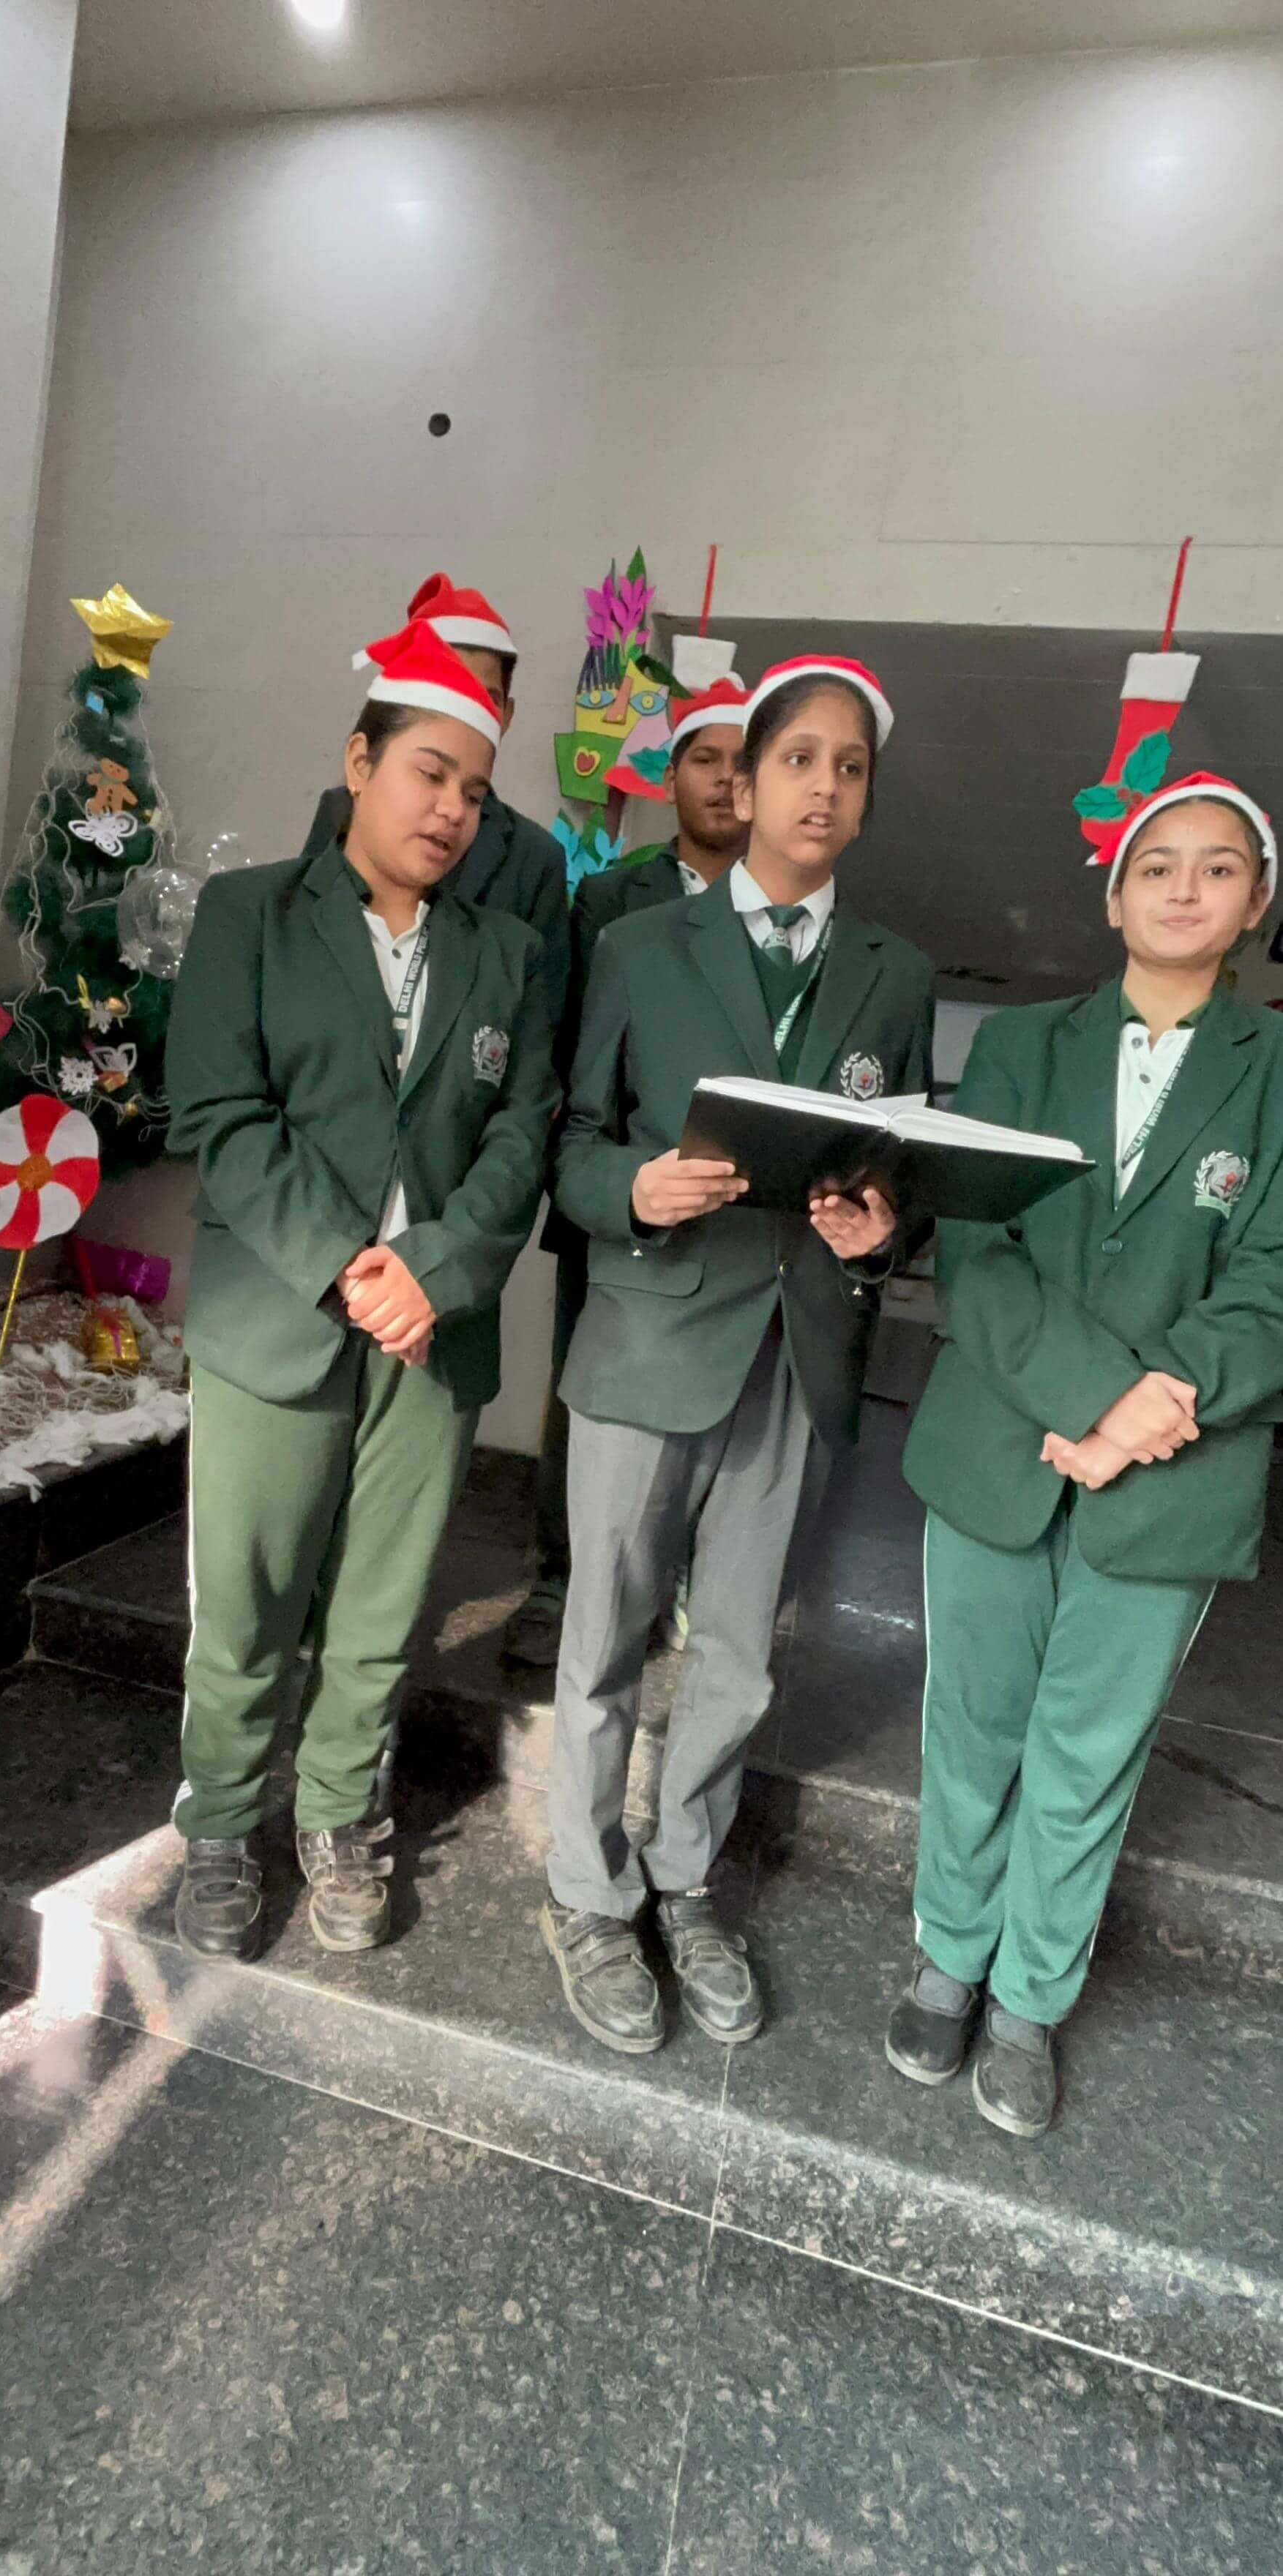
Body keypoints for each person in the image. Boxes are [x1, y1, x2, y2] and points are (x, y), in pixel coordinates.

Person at [543, 655, 935, 2053]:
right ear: (746, 780)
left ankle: (686, 1879)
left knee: (738, 1659)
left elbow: (901, 1171)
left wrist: (881, 1231)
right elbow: (573, 1144)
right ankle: (589, 1894)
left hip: (797, 1352)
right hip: (650, 1340)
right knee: (604, 1635)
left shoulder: (894, 974)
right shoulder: (644, 945)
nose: (824, 787)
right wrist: (635, 1189)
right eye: (799, 760)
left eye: (851, 768)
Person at [890, 771, 1283, 2138]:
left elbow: (1274, 1281)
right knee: (973, 1724)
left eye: (1218, 866)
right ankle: (948, 1958)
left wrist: (1150, 1409)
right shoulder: (1019, 1047)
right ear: (1113, 897)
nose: (1184, 887)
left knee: (1088, 1750)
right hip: (1003, 1440)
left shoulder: (1277, 1072)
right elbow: (977, 1245)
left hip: (1179, 1472)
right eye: (1156, 864)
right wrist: (1095, 1398)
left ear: (1255, 901)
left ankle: (1029, 2000)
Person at [165, 618, 558, 1966]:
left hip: (431, 1336)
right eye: (428, 774)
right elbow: (221, 1112)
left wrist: (431, 1272)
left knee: (382, 1609)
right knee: (247, 1599)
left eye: (474, 791)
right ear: (360, 761)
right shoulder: (251, 915)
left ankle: (339, 1814)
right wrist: (348, 1266)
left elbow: (522, 1135)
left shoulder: (506, 953)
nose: (451, 809)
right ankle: (223, 1820)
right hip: (278, 1315)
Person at [504, 674, 752, 1669]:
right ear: (671, 776)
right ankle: (559, 1579)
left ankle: (672, 1581)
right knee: (585, 1388)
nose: (725, 780)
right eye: (705, 759)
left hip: (738, 1209)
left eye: (743, 762)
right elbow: (571, 1045)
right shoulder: (610, 900)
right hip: (617, 1189)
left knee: (720, 1408)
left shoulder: (779, 910)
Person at [305, 572, 569, 1030]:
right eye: (447, 687)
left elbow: (543, 1024)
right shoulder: (341, 811)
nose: (464, 710)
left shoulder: (535, 857)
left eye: (485, 698)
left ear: (507, 715)